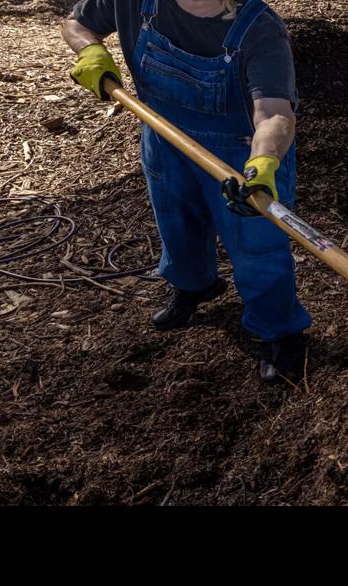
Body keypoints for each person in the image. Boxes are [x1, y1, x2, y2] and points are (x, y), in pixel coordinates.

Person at [62, 0, 309, 383]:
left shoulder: (258, 29)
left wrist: (262, 164)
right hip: (164, 137)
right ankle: (194, 286)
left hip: (240, 154)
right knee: (178, 224)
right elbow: (77, 23)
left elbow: (274, 112)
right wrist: (90, 49)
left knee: (256, 247)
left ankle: (279, 330)